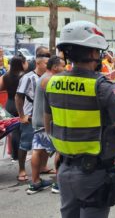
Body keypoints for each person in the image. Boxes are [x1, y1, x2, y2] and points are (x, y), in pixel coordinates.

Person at [44, 21, 115, 218]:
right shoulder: (105, 87)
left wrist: (66, 149)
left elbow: (48, 127)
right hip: (94, 173)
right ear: (94, 53)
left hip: (64, 169)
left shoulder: (52, 83)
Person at [27, 55, 65, 194]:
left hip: (38, 119)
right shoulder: (51, 80)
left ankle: (35, 182)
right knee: (60, 150)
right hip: (47, 121)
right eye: (63, 66)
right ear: (55, 67)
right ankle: (58, 184)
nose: (65, 68)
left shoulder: (43, 77)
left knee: (38, 149)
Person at [15, 52, 49, 182]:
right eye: (46, 63)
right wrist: (22, 115)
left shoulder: (48, 77)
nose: (48, 65)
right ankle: (21, 170)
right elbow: (18, 96)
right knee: (25, 143)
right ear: (38, 63)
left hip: (44, 116)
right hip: (29, 117)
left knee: (44, 143)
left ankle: (43, 167)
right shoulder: (28, 77)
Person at [0, 55, 28, 161]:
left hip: (9, 104)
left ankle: (14, 154)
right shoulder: (24, 77)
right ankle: (18, 155)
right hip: (21, 104)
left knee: (13, 131)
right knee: (20, 131)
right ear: (21, 64)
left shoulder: (6, 76)